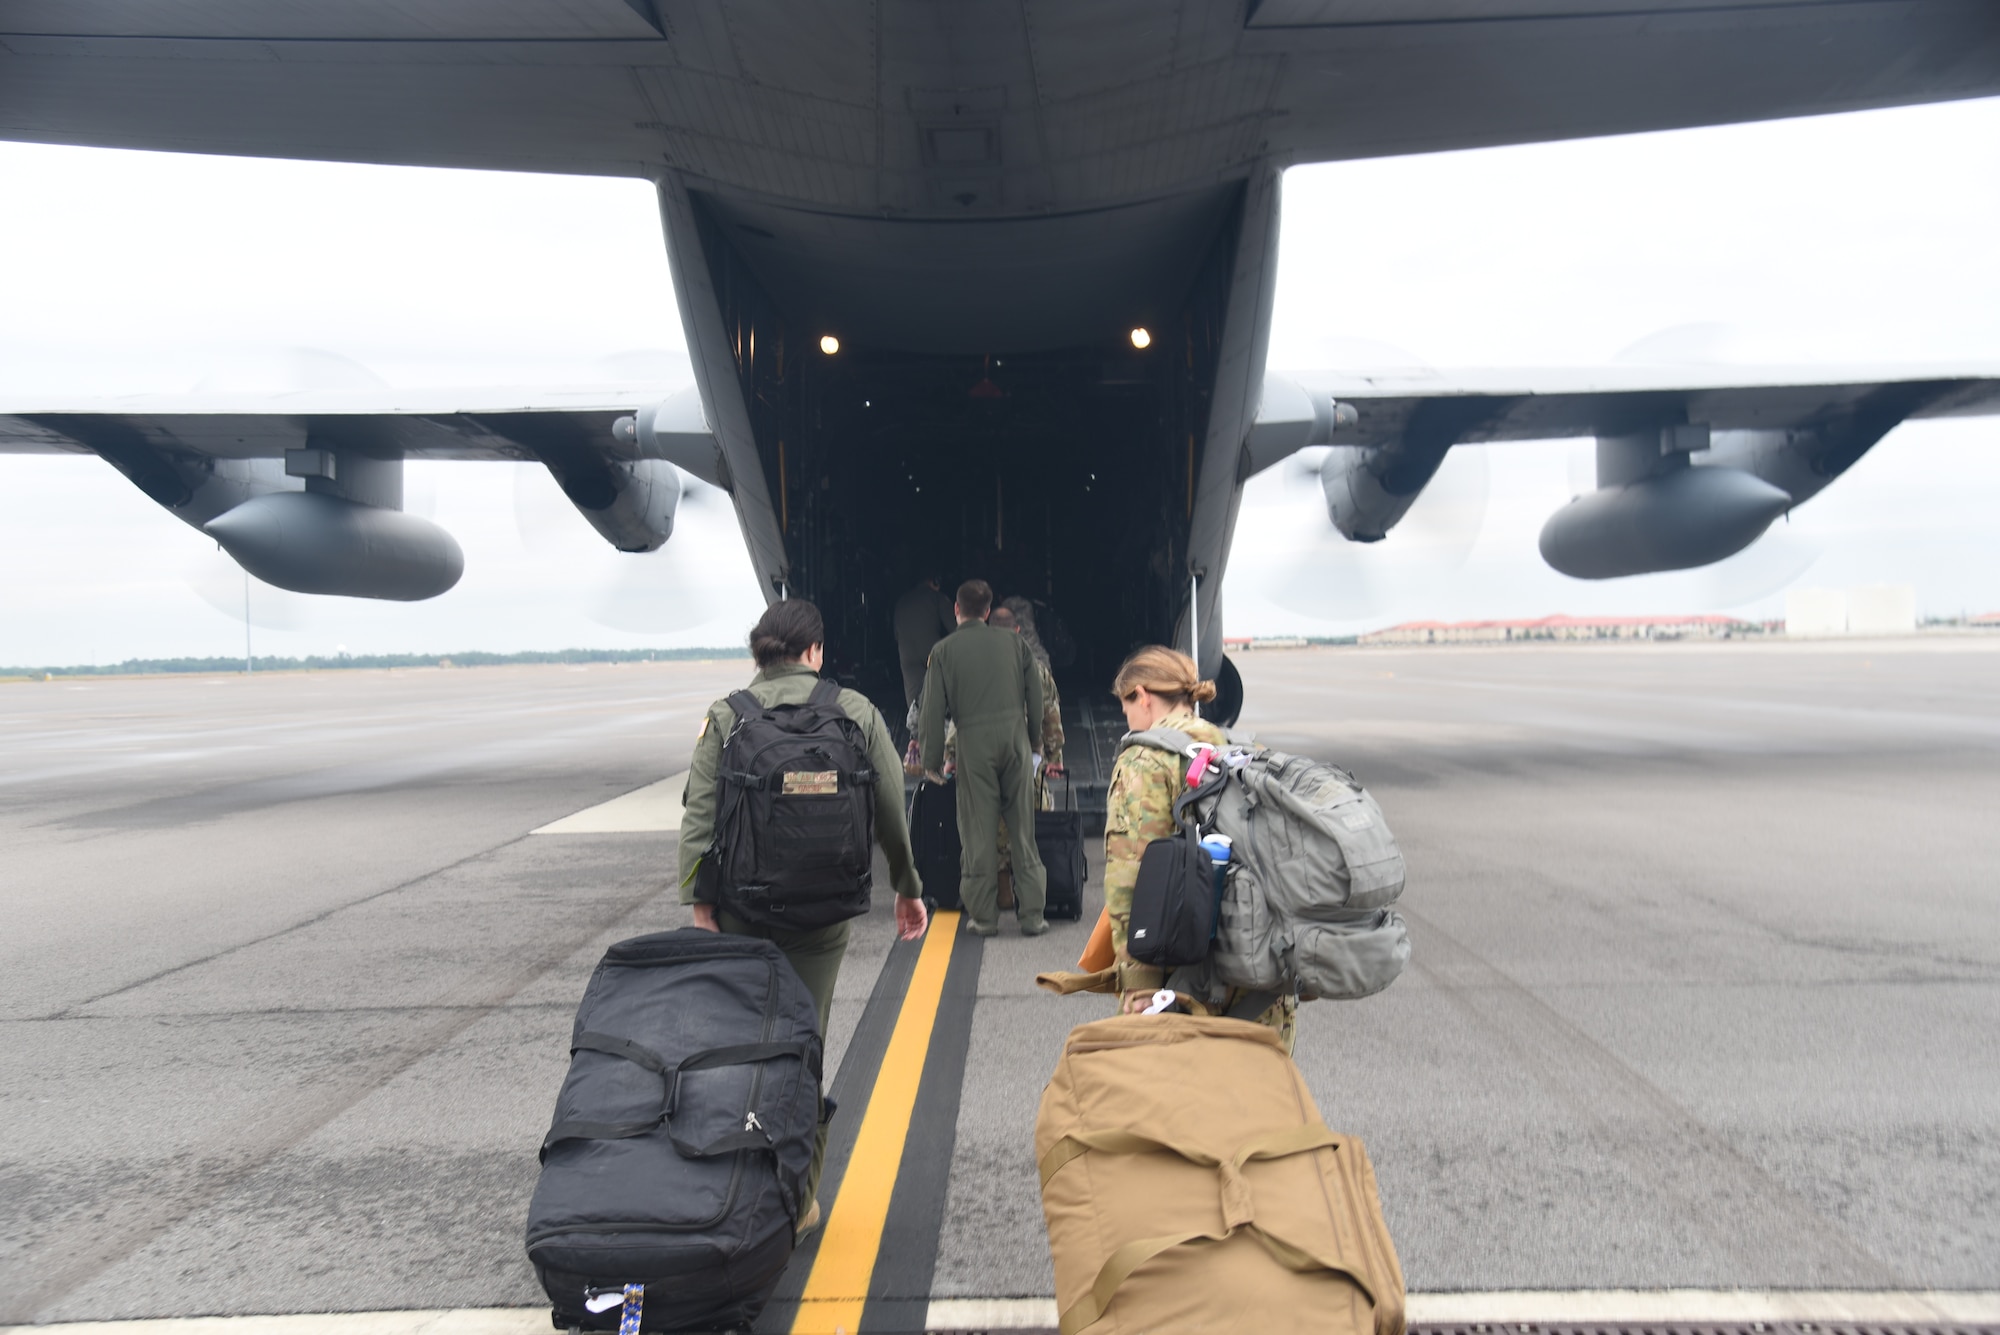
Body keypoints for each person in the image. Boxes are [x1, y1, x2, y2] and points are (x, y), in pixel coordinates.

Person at [678, 598, 929, 1238]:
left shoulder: (726, 715)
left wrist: (701, 907)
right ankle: (799, 1201)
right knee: (804, 1045)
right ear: (815, 652)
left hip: (740, 912)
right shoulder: (855, 710)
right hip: (822, 918)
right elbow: (891, 806)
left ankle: (727, 1187)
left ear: (760, 652)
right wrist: (906, 886)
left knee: (740, 1047)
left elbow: (700, 817)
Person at [1102, 645, 1296, 1053]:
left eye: (1126, 706)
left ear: (1143, 695)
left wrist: (1138, 985)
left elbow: (1131, 879)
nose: (1127, 718)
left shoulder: (1145, 761)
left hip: (1185, 990)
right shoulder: (1244, 751)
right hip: (1262, 977)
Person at [919, 578, 1048, 937]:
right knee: (1023, 830)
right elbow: (1035, 697)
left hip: (973, 742)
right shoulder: (1015, 643)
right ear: (989, 611)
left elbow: (931, 711)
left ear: (957, 610)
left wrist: (930, 761)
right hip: (1015, 739)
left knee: (978, 833)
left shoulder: (944, 651)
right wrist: (1035, 742)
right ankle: (1033, 916)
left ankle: (984, 918)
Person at [893, 573, 955, 725]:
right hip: (931, 652)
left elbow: (896, 634)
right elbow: (956, 627)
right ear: (934, 581)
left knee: (914, 699)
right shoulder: (937, 597)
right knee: (940, 694)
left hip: (907, 654)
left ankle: (918, 734)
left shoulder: (902, 601)